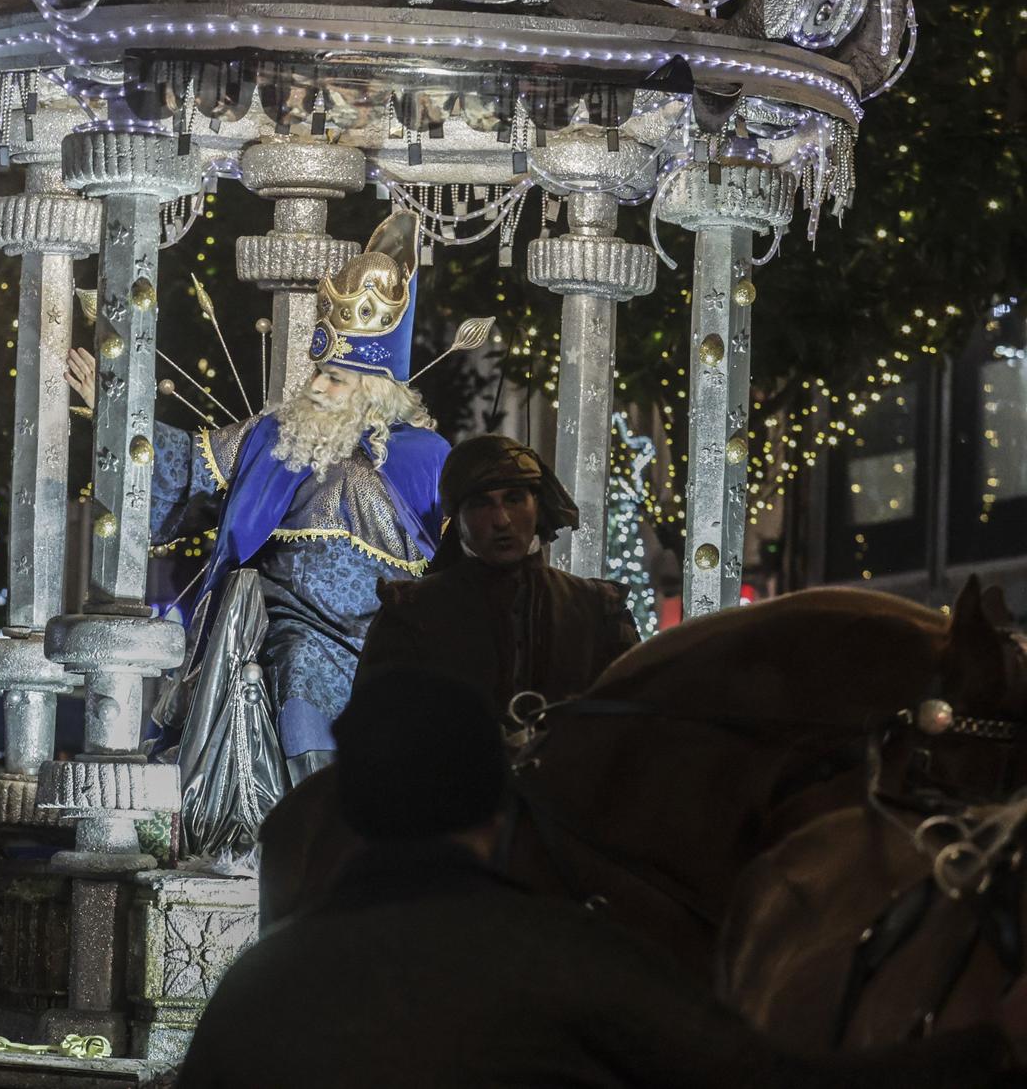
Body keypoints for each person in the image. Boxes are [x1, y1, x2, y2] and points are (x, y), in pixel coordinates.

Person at [180, 668, 1027, 1088]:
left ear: (352, 812)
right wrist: (994, 1041)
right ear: (499, 812)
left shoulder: (253, 991)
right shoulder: (567, 959)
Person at [67, 214, 448, 848]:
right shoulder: (274, 435)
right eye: (319, 372)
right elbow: (186, 469)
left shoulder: (425, 456)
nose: (319, 387)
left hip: (384, 636)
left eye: (337, 379)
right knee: (296, 678)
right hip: (282, 624)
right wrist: (114, 409)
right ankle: (303, 836)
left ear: (376, 392)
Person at [357, 433, 641, 715]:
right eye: (481, 504)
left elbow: (633, 726)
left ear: (537, 506)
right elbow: (376, 733)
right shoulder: (411, 613)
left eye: (514, 499)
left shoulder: (597, 608)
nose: (502, 520)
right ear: (458, 517)